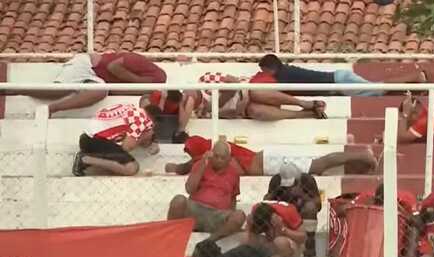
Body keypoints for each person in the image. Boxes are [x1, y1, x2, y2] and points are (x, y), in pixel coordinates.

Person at [18, 52, 166, 115]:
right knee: (60, 90)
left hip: (97, 79)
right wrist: (137, 82)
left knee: (100, 91)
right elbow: (112, 66)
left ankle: (51, 109)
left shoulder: (151, 87)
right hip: (87, 65)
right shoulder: (139, 62)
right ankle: (16, 90)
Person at [165, 135, 377, 176]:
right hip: (269, 161)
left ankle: (361, 155)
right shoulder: (222, 152)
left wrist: (176, 168)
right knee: (318, 167)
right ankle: (360, 158)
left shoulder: (214, 152)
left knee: (318, 166)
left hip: (269, 162)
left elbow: (191, 160)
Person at [167, 139, 245, 242]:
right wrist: (203, 164)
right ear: (211, 154)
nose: (219, 160)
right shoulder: (201, 164)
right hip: (196, 210)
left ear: (229, 159)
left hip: (218, 215)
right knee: (178, 200)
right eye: (216, 156)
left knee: (239, 216)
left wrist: (229, 216)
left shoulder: (234, 174)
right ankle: (169, 237)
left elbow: (233, 198)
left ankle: (210, 241)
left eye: (223, 158)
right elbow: (189, 189)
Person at [252, 54, 427, 97]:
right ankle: (413, 85)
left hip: (341, 83)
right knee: (378, 90)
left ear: (269, 69)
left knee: (380, 88)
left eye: (264, 71)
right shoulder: (287, 70)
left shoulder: (283, 77)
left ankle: (415, 78)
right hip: (340, 79)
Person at [197, 71, 328, 121]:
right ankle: (306, 114)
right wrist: (238, 109)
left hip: (248, 89)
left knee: (255, 92)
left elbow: (232, 79)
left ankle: (303, 103)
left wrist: (241, 94)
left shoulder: (204, 80)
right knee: (255, 111)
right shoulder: (201, 111)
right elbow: (229, 115)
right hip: (242, 108)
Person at [72, 103, 161, 176]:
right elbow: (127, 147)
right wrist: (144, 136)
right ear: (153, 121)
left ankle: (87, 159)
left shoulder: (130, 108)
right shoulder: (143, 120)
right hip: (95, 140)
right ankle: (84, 159)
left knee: (119, 159)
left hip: (86, 138)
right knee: (131, 167)